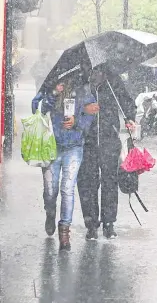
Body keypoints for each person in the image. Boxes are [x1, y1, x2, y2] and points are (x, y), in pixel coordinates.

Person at [32, 76, 98, 250]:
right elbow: (36, 107)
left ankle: (64, 231)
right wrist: (54, 92)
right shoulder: (50, 85)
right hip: (51, 146)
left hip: (74, 147)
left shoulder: (83, 89)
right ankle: (50, 212)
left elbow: (92, 112)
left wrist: (78, 122)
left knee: (67, 189)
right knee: (50, 191)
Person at [78, 65, 136, 240]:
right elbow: (71, 106)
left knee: (110, 181)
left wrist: (130, 117)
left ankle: (109, 223)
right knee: (88, 183)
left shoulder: (113, 80)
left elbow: (126, 101)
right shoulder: (81, 81)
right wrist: (84, 110)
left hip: (109, 138)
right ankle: (91, 224)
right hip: (86, 140)